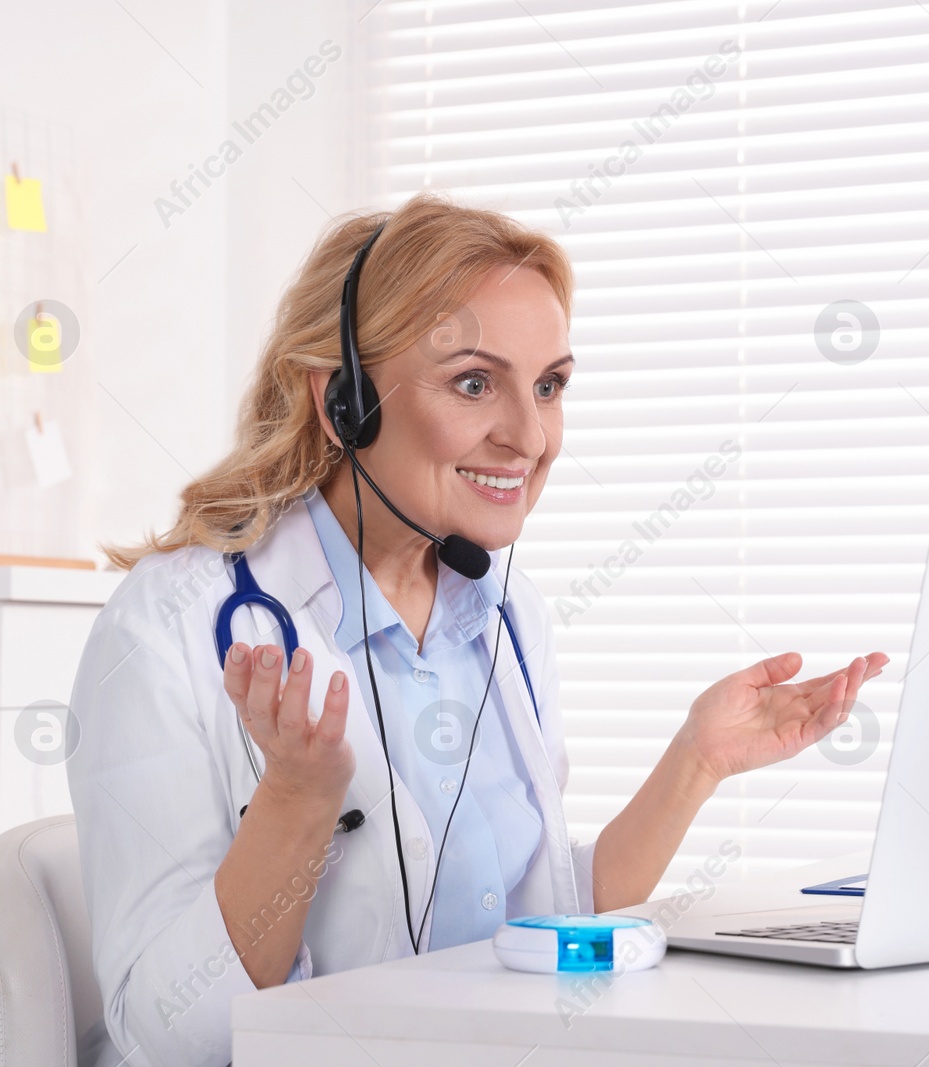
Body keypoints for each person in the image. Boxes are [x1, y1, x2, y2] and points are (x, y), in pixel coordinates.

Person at [67, 191, 887, 1067]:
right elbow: (172, 1035)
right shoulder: (173, 626)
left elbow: (541, 926)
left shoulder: (501, 609)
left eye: (549, 385)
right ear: (343, 400)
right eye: (473, 382)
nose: (531, 436)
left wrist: (698, 762)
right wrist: (298, 801)